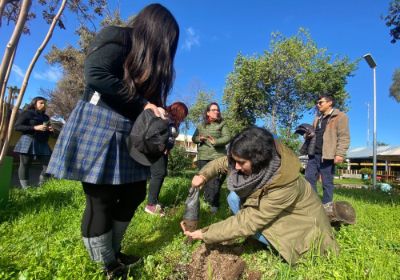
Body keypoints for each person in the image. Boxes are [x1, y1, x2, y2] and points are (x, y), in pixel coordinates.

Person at [46, 4, 179, 279]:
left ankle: (113, 251)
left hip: (130, 133)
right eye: (168, 40)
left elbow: (147, 105)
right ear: (155, 31)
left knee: (134, 194)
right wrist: (144, 104)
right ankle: (106, 264)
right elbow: (96, 74)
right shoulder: (118, 36)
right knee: (101, 199)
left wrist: (159, 115)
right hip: (98, 123)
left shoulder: (149, 66)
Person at [181, 127, 339, 265]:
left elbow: (247, 222)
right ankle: (260, 239)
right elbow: (223, 162)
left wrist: (204, 233)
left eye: (241, 163)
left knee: (243, 216)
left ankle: (270, 244)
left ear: (258, 160)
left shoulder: (284, 184)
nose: (236, 166)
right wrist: (203, 175)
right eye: (235, 160)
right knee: (233, 198)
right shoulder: (261, 159)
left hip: (303, 236)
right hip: (280, 214)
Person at [304, 94, 350, 214]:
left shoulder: (340, 116)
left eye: (320, 102)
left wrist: (340, 153)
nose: (318, 105)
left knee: (327, 182)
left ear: (330, 103)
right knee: (308, 178)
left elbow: (344, 136)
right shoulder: (317, 119)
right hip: (313, 154)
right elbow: (313, 134)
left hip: (327, 155)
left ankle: (327, 207)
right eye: (317, 102)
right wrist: (307, 134)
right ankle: (313, 203)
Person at [144, 101, 188, 216]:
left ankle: (154, 200)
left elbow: (170, 138)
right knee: (158, 173)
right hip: (157, 150)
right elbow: (155, 131)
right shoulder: (164, 115)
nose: (183, 119)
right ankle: (150, 205)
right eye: (183, 115)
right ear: (178, 111)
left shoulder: (174, 122)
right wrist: (162, 146)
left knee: (162, 173)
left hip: (164, 152)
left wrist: (168, 147)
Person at [192, 102, 231, 213]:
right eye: (214, 110)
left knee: (215, 181)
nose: (216, 112)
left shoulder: (222, 124)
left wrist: (216, 141)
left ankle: (214, 205)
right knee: (204, 179)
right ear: (208, 112)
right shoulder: (201, 125)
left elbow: (228, 137)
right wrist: (200, 138)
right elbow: (194, 138)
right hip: (203, 156)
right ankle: (207, 200)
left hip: (217, 157)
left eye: (217, 110)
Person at [14, 96, 53, 188]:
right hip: (28, 140)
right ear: (34, 104)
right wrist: (34, 127)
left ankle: (41, 187)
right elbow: (17, 127)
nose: (44, 105)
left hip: (43, 142)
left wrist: (50, 130)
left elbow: (48, 131)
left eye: (45, 103)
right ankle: (26, 189)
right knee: (25, 164)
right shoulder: (27, 113)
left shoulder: (46, 117)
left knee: (49, 165)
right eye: (41, 103)